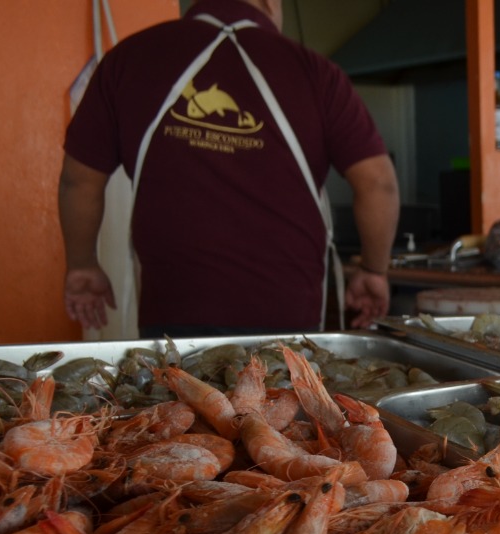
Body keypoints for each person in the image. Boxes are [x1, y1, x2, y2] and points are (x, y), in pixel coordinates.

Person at [58, 0, 399, 337]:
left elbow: (79, 181)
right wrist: (373, 270)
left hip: (174, 310)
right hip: (287, 313)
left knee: (179, 394)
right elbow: (378, 184)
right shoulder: (317, 73)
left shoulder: (128, 59)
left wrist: (82, 264)